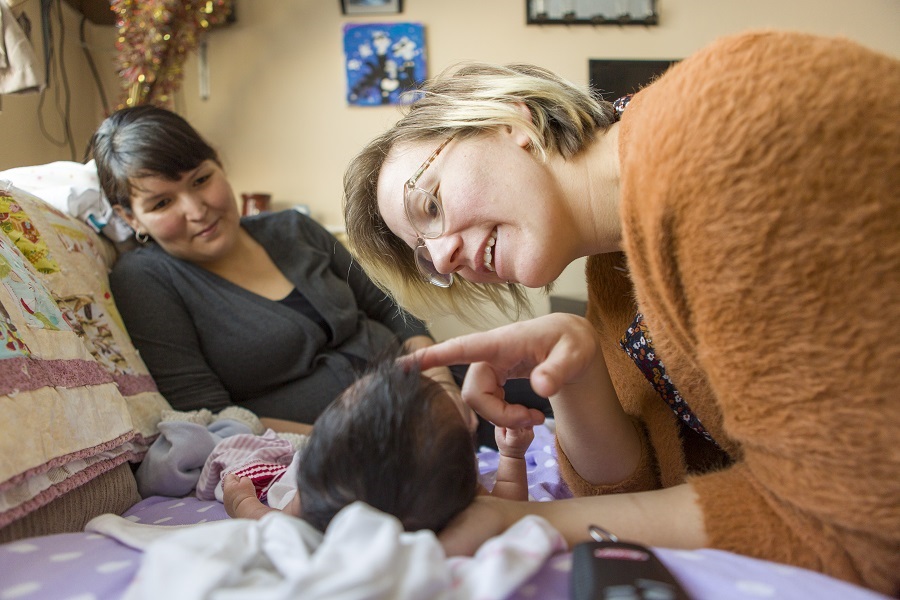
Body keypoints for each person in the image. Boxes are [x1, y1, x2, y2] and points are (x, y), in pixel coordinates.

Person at [342, 30, 900, 596]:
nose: (443, 256)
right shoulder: (614, 281)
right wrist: (574, 364)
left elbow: (860, 528)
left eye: (429, 204)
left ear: (510, 122)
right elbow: (645, 498)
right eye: (425, 258)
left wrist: (522, 521)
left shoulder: (725, 130)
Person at [89, 105, 471, 433]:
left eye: (201, 180)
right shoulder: (145, 280)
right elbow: (210, 415)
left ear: (219, 165)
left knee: (527, 384)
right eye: (161, 203)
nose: (196, 209)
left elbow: (387, 308)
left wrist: (440, 382)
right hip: (346, 446)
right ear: (130, 218)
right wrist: (347, 440)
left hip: (431, 384)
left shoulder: (293, 228)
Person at [221, 353, 534, 531]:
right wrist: (512, 456)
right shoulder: (453, 493)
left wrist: (241, 499)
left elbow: (268, 523)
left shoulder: (317, 501)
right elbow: (509, 507)